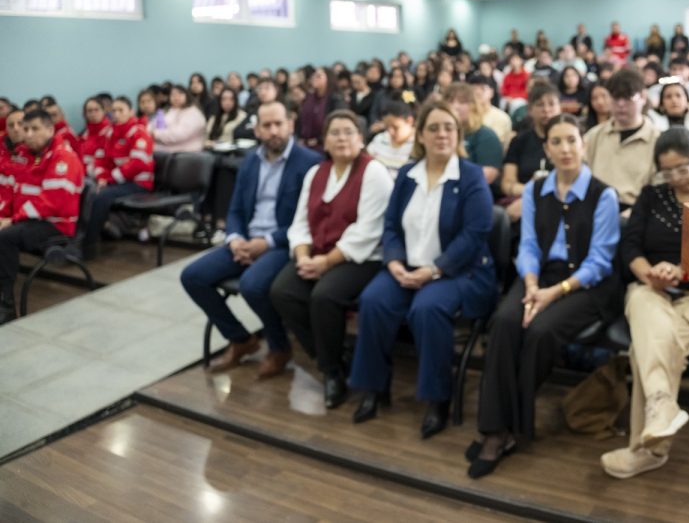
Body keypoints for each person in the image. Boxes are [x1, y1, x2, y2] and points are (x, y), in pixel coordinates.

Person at [469, 114, 620, 478]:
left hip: (585, 284)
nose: (566, 149)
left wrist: (553, 293)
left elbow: (600, 261)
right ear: (546, 148)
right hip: (541, 276)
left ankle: (501, 431)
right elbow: (529, 246)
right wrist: (533, 284)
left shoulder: (604, 195)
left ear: (583, 144)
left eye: (572, 140)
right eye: (557, 142)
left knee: (539, 333)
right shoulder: (537, 189)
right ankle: (499, 428)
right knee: (504, 322)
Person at [350, 100, 496, 438]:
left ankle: (437, 398)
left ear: (457, 134)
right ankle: (373, 389)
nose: (441, 134)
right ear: (422, 135)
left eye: (448, 127)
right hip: (408, 266)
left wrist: (434, 271)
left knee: (427, 309)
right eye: (434, 128)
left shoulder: (471, 176)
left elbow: (475, 235)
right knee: (373, 301)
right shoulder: (407, 174)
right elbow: (390, 226)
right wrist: (395, 262)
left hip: (461, 271)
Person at [601, 128, 689, 478]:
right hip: (650, 289)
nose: (675, 178)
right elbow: (630, 248)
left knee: (647, 347)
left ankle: (649, 445)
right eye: (668, 171)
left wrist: (682, 272)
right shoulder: (652, 195)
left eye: (682, 168)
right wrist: (651, 274)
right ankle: (659, 414)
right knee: (646, 306)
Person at [179, 102, 322, 378]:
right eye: (266, 126)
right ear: (256, 130)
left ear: (290, 124)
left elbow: (307, 222)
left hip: (283, 243)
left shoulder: (309, 163)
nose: (274, 131)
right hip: (246, 241)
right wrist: (234, 239)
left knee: (253, 285)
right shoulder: (250, 161)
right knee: (192, 276)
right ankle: (242, 339)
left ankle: (280, 347)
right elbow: (235, 210)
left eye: (279, 124)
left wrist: (266, 242)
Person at [270, 110, 392, 408]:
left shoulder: (373, 172)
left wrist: (325, 263)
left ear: (361, 139)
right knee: (282, 291)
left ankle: (332, 372)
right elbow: (300, 223)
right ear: (324, 141)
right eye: (334, 133)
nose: (341, 138)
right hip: (317, 254)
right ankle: (332, 357)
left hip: (361, 258)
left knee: (324, 297)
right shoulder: (316, 174)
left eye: (349, 132)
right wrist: (302, 256)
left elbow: (367, 231)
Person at [0, 109, 84, 323]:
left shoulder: (63, 157)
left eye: (34, 129)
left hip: (55, 225)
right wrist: (5, 216)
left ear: (50, 129)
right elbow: (15, 193)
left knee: (5, 238)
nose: (27, 134)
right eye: (25, 129)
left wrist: (12, 220)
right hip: (31, 220)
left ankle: (7, 307)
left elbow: (52, 202)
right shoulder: (28, 157)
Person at [81, 97, 155, 259]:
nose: (116, 114)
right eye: (114, 110)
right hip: (119, 181)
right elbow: (100, 159)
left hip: (139, 183)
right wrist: (101, 177)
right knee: (88, 190)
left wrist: (109, 179)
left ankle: (89, 244)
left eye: (121, 110)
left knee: (102, 196)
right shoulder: (110, 133)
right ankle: (85, 234)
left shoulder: (139, 132)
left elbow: (137, 164)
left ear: (131, 112)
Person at [583, 68, 661, 209]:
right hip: (596, 208)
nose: (620, 104)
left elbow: (659, 190)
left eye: (627, 97)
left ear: (643, 97)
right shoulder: (594, 136)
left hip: (639, 211)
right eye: (615, 98)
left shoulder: (657, 140)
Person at [501, 80, 561, 221]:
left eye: (552, 104)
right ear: (530, 110)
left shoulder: (569, 140)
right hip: (524, 200)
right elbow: (507, 183)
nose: (546, 110)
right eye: (540, 105)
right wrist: (531, 190)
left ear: (560, 107)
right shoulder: (519, 142)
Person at [444, 83, 503, 185]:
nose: (455, 106)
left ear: (473, 106)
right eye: (450, 101)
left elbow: (487, 176)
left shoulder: (486, 136)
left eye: (462, 102)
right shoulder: (439, 135)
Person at [365, 99, 416, 179]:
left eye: (395, 127)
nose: (390, 132)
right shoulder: (380, 139)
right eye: (387, 127)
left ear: (409, 121)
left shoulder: (418, 145)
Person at [298, 67, 346, 149]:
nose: (314, 78)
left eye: (319, 76)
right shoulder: (308, 98)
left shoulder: (336, 99)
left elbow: (338, 124)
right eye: (314, 76)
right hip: (305, 143)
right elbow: (300, 120)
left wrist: (318, 140)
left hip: (325, 144)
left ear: (328, 79)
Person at [152, 86, 206, 153]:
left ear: (187, 95)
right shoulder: (168, 111)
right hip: (166, 148)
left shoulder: (193, 113)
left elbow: (178, 135)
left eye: (180, 93)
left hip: (185, 151)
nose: (176, 97)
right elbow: (151, 126)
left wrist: (154, 133)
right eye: (173, 94)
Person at [78, 96, 112, 178]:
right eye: (89, 111)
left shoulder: (111, 132)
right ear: (85, 114)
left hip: (103, 176)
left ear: (104, 111)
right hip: (85, 175)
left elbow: (106, 163)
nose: (93, 114)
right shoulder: (83, 134)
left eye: (96, 110)